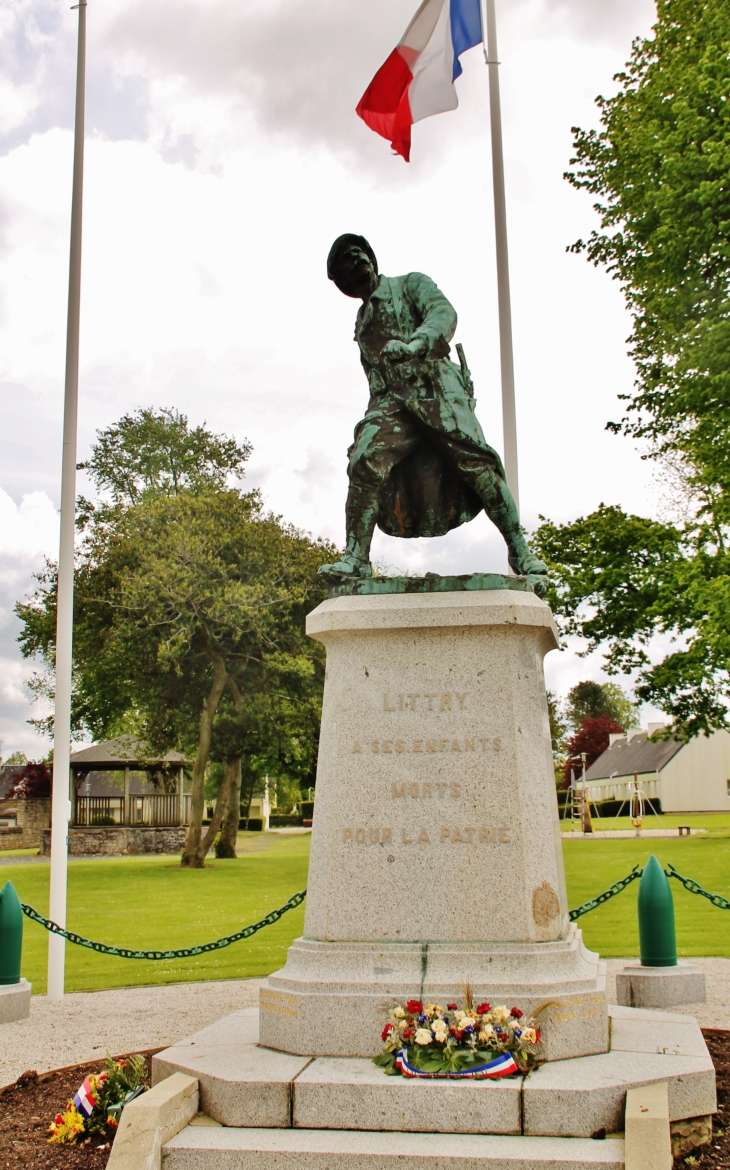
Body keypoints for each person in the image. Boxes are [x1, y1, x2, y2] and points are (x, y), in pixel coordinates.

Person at [318, 234, 547, 590]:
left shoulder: (410, 284)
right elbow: (375, 377)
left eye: (360, 251)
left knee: (479, 467)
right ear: (344, 281)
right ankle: (356, 558)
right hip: (392, 402)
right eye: (348, 258)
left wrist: (416, 343)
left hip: (435, 387)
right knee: (364, 459)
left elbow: (443, 313)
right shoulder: (363, 322)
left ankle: (520, 551)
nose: (358, 257)